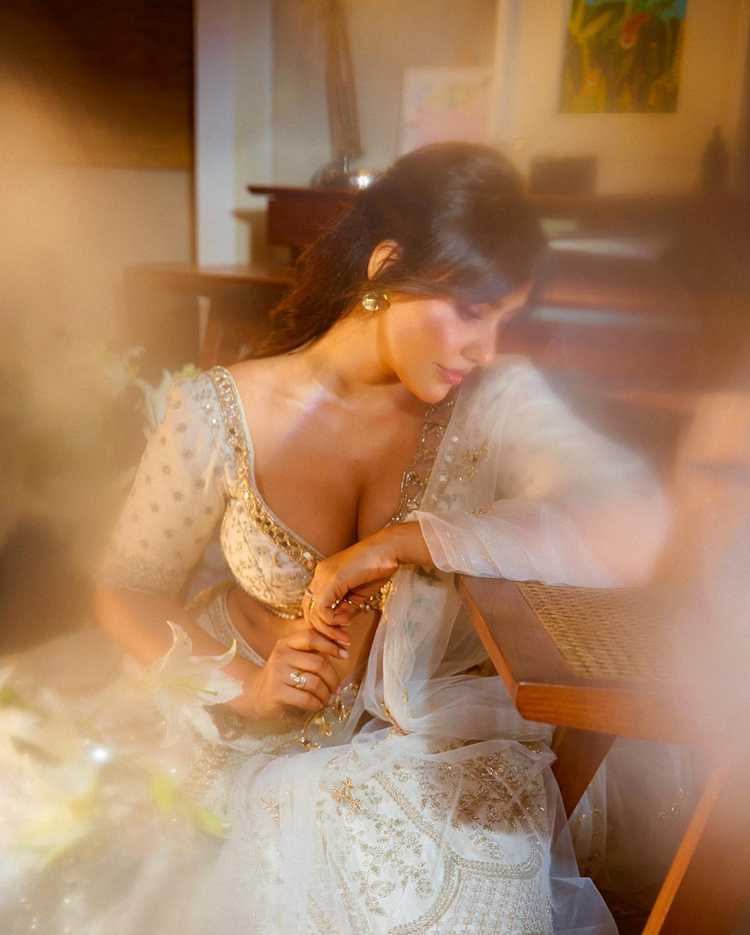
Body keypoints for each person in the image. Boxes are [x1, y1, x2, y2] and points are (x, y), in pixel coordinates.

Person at [0, 143, 667, 934]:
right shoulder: (222, 411)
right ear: (387, 267)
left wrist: (408, 540)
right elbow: (128, 586)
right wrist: (243, 687)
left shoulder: (496, 402)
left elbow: (633, 521)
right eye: (472, 309)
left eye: (505, 319)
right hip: (233, 733)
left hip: (424, 740)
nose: (487, 348)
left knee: (469, 895)